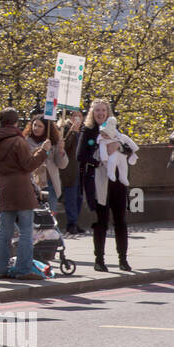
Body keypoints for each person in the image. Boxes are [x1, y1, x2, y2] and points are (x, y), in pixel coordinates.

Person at [0, 107, 48, 280]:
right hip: (22, 188)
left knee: (4, 232)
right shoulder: (18, 140)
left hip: (6, 187)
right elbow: (29, 164)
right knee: (26, 231)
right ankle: (23, 269)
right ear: (16, 122)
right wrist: (43, 151)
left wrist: (3, 183)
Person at [77, 99, 133, 271]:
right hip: (99, 180)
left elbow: (129, 148)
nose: (100, 113)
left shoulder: (115, 130)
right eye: (97, 111)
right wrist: (98, 160)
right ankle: (99, 260)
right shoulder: (87, 131)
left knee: (120, 220)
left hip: (117, 180)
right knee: (102, 221)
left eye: (103, 110)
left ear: (108, 113)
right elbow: (80, 156)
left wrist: (118, 146)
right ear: (92, 113)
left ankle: (123, 259)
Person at [25, 114, 69, 214]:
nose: (36, 128)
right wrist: (42, 150)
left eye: (40, 126)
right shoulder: (25, 141)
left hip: (49, 184)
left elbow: (62, 165)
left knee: (49, 215)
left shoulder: (53, 142)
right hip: (33, 183)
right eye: (34, 125)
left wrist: (61, 150)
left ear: (46, 128)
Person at [57, 111, 85, 234]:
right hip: (70, 169)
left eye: (79, 116)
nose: (77, 118)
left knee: (79, 197)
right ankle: (71, 223)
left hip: (81, 168)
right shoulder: (65, 128)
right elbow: (65, 146)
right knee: (71, 197)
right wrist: (73, 132)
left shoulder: (83, 130)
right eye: (75, 116)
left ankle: (75, 221)